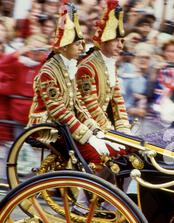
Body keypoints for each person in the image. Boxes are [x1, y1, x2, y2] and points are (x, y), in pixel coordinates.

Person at [26, 1, 124, 165]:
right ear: (64, 47)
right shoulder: (48, 72)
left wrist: (95, 129)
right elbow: (58, 110)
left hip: (66, 126)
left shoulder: (70, 66)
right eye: (78, 44)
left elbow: (79, 105)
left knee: (111, 151)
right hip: (49, 127)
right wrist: (87, 135)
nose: (82, 48)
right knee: (97, 157)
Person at [76, 0, 131, 135]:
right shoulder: (87, 67)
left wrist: (124, 127)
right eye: (116, 41)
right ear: (104, 41)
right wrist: (110, 129)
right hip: (85, 126)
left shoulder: (111, 65)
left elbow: (117, 100)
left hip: (103, 126)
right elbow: (90, 105)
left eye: (121, 41)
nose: (120, 46)